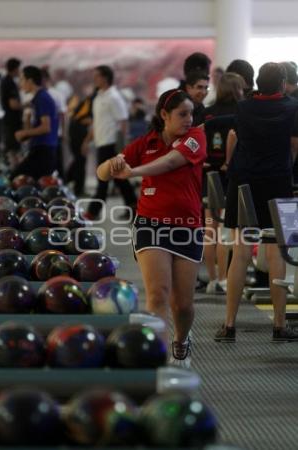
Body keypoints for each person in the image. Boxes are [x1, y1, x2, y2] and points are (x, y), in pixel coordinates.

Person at [96, 89, 207, 368]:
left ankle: (181, 341)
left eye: (191, 113)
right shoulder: (145, 143)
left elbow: (171, 162)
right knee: (158, 293)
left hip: (187, 226)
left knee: (183, 305)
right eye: (182, 114)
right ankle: (156, 357)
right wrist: (111, 165)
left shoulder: (196, 138)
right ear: (164, 115)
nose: (188, 119)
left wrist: (133, 172)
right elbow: (102, 172)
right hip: (150, 224)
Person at [215, 62, 298, 342]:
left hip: (243, 182)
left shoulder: (244, 107)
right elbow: (295, 145)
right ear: (283, 81)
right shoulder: (292, 107)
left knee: (240, 251)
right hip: (278, 182)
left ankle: (228, 326)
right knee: (276, 252)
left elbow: (234, 137)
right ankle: (279, 325)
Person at [203, 72, 246, 294]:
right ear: (237, 89)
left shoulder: (207, 112)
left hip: (208, 174)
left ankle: (211, 279)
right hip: (231, 176)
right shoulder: (243, 112)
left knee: (210, 229)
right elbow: (235, 137)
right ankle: (223, 278)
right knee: (225, 231)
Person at [82, 65, 137, 220]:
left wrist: (122, 148)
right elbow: (96, 122)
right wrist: (87, 141)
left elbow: (123, 121)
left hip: (111, 144)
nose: (94, 79)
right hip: (101, 143)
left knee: (103, 178)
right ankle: (134, 206)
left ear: (105, 77)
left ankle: (92, 211)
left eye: (97, 76)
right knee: (120, 179)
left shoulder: (114, 97)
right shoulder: (98, 97)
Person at [12, 65, 58, 179]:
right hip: (39, 148)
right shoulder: (36, 99)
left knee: (15, 177)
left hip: (44, 150)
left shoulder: (42, 98)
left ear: (30, 81)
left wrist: (24, 133)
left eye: (22, 79)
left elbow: (46, 127)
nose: (20, 84)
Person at [0, 57, 22, 167]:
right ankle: (15, 173)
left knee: (13, 150)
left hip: (10, 121)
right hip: (11, 122)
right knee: (13, 150)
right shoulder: (9, 82)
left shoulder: (7, 81)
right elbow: (13, 105)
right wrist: (27, 105)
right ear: (15, 69)